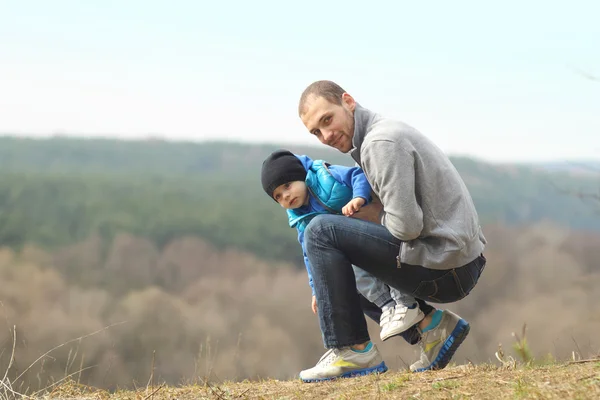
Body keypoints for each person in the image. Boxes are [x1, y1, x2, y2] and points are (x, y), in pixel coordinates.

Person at [295, 80, 487, 382]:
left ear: (348, 101)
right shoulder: (373, 139)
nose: (326, 136)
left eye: (327, 120)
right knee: (334, 265)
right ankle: (431, 327)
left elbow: (406, 227)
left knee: (320, 232)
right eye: (316, 132)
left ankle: (352, 351)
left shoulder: (379, 143)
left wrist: (365, 217)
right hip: (452, 259)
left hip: (448, 265)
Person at [260, 150, 424, 348]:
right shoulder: (301, 220)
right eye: (278, 196)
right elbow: (310, 254)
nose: (286, 196)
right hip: (352, 251)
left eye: (287, 185)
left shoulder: (325, 175)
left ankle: (405, 303)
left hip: (374, 232)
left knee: (384, 268)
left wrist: (358, 197)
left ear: (300, 176)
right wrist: (316, 290)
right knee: (351, 275)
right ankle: (388, 307)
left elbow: (357, 175)